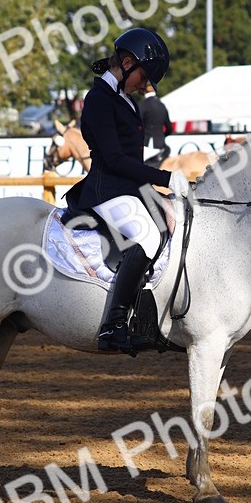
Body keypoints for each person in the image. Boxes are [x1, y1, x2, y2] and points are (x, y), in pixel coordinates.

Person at [65, 27, 184, 352]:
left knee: (174, 229)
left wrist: (159, 195)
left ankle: (153, 321)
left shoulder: (125, 100)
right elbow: (116, 160)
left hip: (131, 188)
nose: (144, 86)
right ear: (128, 62)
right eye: (143, 76)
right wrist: (164, 178)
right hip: (108, 191)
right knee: (147, 239)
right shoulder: (99, 100)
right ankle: (113, 326)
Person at [139, 82, 173, 161]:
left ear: (144, 91)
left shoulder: (143, 105)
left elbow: (137, 124)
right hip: (161, 144)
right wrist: (161, 136)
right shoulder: (162, 105)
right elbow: (169, 129)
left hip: (147, 145)